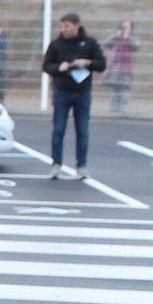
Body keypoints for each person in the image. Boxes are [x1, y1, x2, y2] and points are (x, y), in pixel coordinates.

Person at [42, 12, 107, 179]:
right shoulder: (56, 44)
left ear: (77, 25)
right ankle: (56, 164)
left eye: (67, 26)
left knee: (82, 130)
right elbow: (47, 65)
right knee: (58, 129)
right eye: (62, 26)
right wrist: (59, 68)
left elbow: (102, 65)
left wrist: (88, 63)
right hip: (62, 91)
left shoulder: (90, 43)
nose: (64, 29)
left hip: (82, 92)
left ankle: (82, 165)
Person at [104, 19, 138, 115]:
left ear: (131, 29)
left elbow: (136, 46)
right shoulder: (116, 37)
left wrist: (128, 38)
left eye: (128, 27)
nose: (125, 29)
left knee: (125, 87)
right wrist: (116, 36)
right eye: (123, 27)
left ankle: (123, 107)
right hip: (115, 66)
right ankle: (114, 106)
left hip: (127, 66)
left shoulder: (133, 37)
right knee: (116, 87)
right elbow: (107, 44)